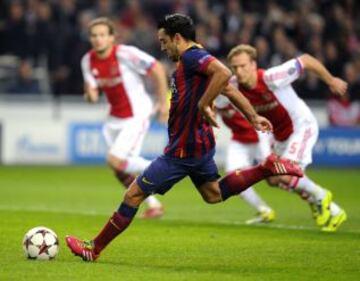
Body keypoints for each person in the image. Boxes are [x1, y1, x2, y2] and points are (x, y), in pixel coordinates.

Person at [65, 13, 303, 261]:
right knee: (213, 194)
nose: (162, 46)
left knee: (133, 195)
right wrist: (252, 116)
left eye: (164, 41)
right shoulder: (195, 59)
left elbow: (223, 73)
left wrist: (203, 103)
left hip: (182, 151)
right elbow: (229, 87)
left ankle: (93, 249)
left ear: (177, 38)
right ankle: (265, 169)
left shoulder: (192, 57)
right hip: (198, 145)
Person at [226, 44, 348, 232]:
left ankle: (322, 197)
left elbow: (306, 60)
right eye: (234, 68)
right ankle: (333, 210)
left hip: (301, 127)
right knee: (273, 179)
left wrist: (330, 80)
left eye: (243, 66)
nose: (238, 71)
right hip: (281, 136)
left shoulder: (272, 77)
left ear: (253, 64)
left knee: (284, 173)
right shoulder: (235, 87)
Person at [80, 17, 168, 218]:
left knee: (115, 160)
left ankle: (169, 167)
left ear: (112, 38)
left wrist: (163, 103)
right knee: (119, 169)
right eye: (94, 35)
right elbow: (92, 92)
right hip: (113, 119)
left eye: (102, 35)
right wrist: (90, 95)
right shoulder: (87, 61)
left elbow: (157, 69)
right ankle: (154, 205)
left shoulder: (126, 54)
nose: (98, 39)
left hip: (137, 114)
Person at [215, 96, 275, 224]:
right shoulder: (210, 94)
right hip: (239, 138)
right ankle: (264, 210)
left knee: (275, 177)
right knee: (233, 179)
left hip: (258, 134)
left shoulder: (231, 92)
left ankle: (314, 194)